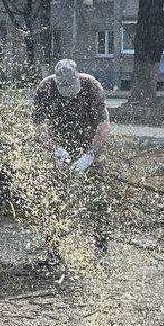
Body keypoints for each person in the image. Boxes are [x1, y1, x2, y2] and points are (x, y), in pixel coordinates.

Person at [34, 58, 113, 248]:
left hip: (91, 143)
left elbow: (103, 126)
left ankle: (100, 245)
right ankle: (54, 249)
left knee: (98, 195)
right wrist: (54, 149)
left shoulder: (91, 86)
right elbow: (38, 127)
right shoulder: (46, 88)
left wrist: (89, 156)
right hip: (60, 144)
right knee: (54, 197)